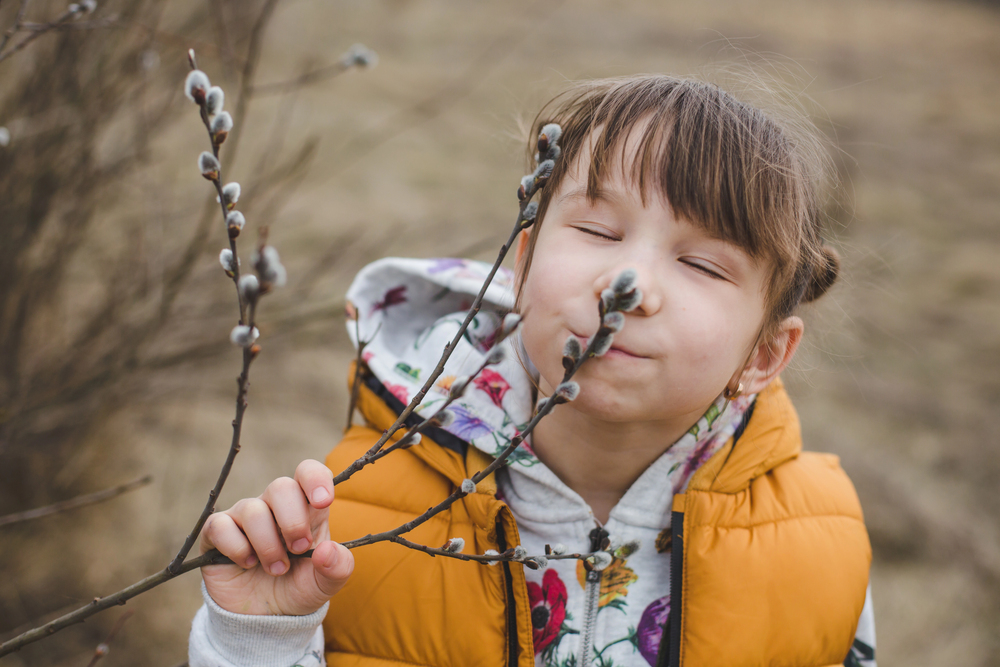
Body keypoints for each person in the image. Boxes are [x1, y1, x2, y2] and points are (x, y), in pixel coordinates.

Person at [189, 75, 876, 667]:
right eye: (598, 232)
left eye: (700, 263)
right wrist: (259, 634)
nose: (628, 283)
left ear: (763, 355)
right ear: (521, 265)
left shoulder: (821, 548)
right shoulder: (360, 512)